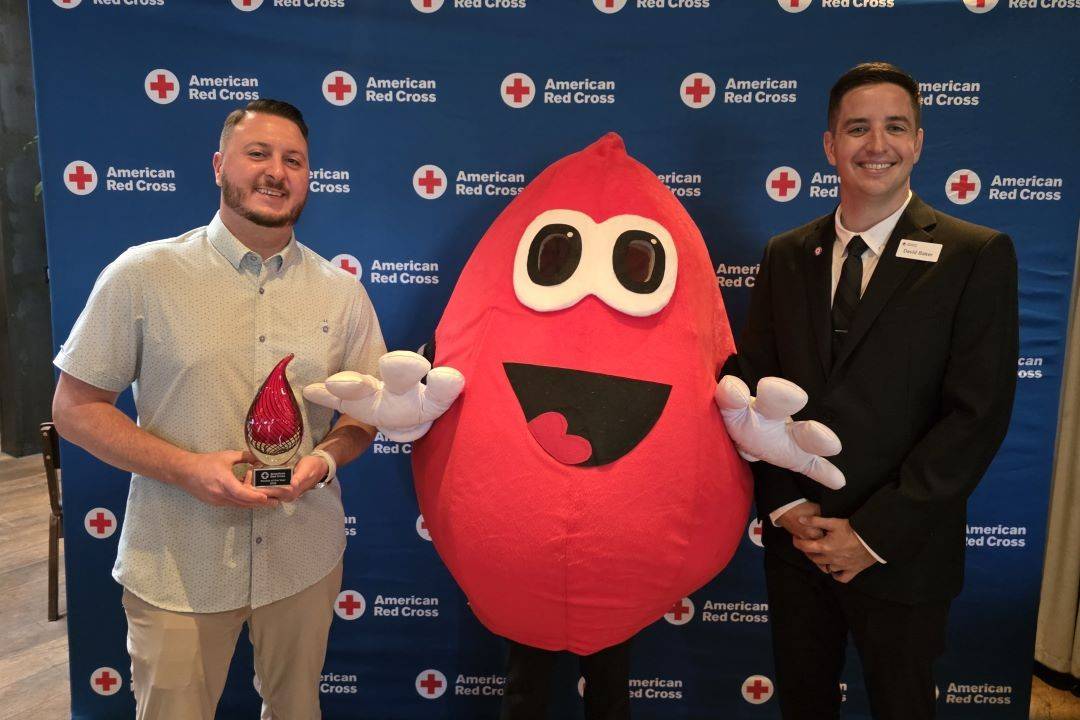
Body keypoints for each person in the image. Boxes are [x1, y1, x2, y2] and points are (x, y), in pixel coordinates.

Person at [51, 99, 386, 720]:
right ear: (218, 165)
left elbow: (364, 416)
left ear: (309, 176)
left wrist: (324, 460)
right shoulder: (143, 274)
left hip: (301, 556)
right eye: (258, 153)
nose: (275, 172)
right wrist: (185, 469)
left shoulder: (342, 294)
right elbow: (75, 407)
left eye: (293, 160)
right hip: (179, 560)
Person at [734, 62, 1018, 719]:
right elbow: (753, 392)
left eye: (894, 127)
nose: (876, 144)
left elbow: (976, 414)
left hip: (903, 550)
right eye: (857, 128)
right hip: (798, 543)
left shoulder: (974, 254)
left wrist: (870, 533)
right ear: (830, 145)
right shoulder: (785, 254)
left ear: (918, 141)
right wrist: (787, 507)